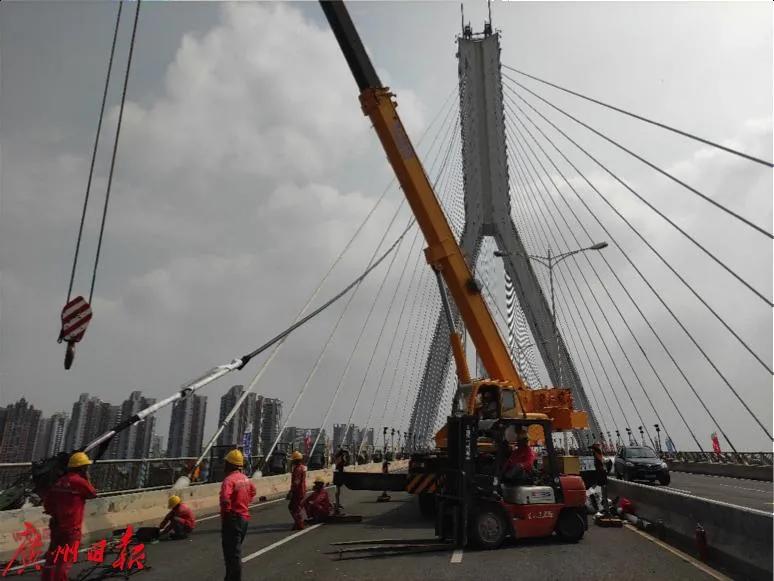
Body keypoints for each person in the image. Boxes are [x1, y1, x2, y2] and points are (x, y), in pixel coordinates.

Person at [41, 451, 97, 581]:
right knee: (64, 560)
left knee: (52, 557)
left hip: (56, 525)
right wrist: (87, 478)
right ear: (83, 468)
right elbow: (93, 494)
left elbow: (48, 503)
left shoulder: (59, 482)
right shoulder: (80, 482)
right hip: (71, 528)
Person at [220, 449, 256, 581]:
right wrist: (245, 503)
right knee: (235, 551)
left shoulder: (229, 480)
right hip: (244, 518)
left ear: (230, 464)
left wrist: (228, 514)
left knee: (232, 555)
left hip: (233, 519)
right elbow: (253, 491)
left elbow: (225, 499)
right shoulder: (245, 479)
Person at [287, 451, 307, 530]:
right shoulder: (302, 467)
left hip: (298, 491)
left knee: (292, 507)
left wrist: (291, 491)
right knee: (296, 507)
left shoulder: (298, 469)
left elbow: (296, 482)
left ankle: (299, 523)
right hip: (301, 490)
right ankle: (298, 523)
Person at [591, 443, 610, 514]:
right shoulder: (598, 455)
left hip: (600, 474)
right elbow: (602, 462)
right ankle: (604, 508)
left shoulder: (596, 457)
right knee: (600, 490)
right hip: (601, 475)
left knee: (598, 489)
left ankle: (602, 507)